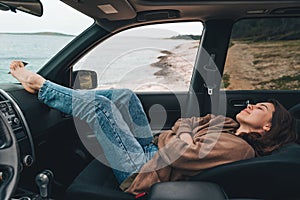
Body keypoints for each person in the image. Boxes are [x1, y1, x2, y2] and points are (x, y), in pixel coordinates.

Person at [9, 60, 297, 195]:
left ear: (267, 127)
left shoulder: (240, 148)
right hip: (153, 151)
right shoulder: (229, 124)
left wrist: (181, 135)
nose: (252, 105)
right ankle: (52, 90)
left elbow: (182, 153)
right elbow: (188, 123)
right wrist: (183, 134)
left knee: (100, 108)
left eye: (261, 109)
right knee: (125, 96)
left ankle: (42, 87)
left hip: (142, 170)